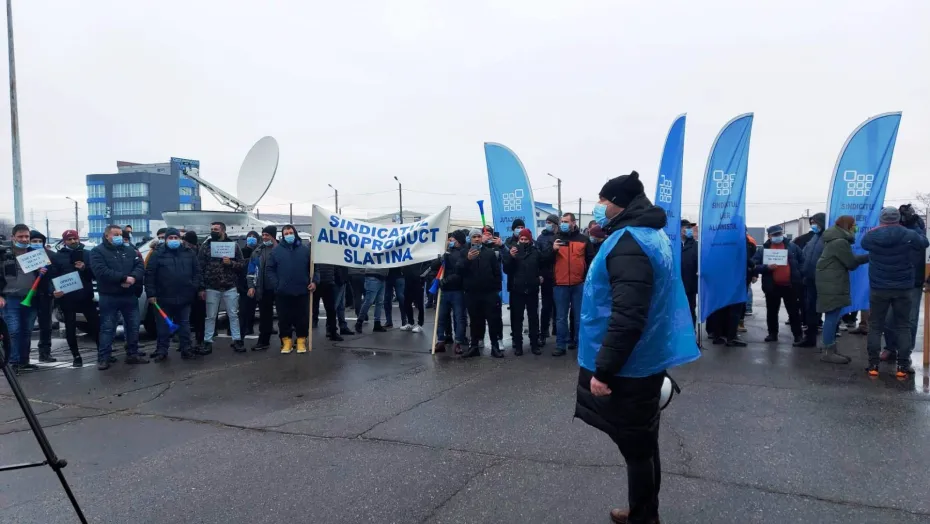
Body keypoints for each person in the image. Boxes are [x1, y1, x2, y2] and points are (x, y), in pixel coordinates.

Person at [575, 172, 700, 524]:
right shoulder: (651, 236)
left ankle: (644, 518)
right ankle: (643, 511)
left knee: (637, 449)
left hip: (629, 365)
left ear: (620, 204)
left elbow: (628, 315)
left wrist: (604, 370)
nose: (598, 208)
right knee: (643, 444)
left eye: (603, 201)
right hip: (645, 357)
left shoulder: (629, 243)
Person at [861, 206, 929, 377]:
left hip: (879, 287)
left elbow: (864, 244)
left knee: (875, 326)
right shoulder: (908, 234)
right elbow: (924, 243)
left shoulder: (872, 235)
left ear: (881, 219)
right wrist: (914, 225)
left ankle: (873, 365)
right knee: (904, 326)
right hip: (903, 287)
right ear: (899, 218)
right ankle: (903, 366)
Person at [89, 224, 147, 370]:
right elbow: (101, 271)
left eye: (120, 234)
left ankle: (132, 354)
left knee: (133, 326)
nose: (118, 237)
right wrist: (123, 279)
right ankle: (104, 357)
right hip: (109, 296)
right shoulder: (97, 252)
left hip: (129, 295)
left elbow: (140, 266)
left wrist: (133, 278)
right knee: (108, 327)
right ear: (107, 235)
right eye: (115, 234)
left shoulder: (129, 250)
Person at [815, 216, 869, 364]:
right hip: (832, 283)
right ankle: (828, 351)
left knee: (832, 316)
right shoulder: (840, 242)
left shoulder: (834, 239)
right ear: (848, 226)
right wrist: (870, 257)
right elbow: (851, 263)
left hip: (830, 282)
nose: (855, 229)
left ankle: (830, 347)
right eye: (854, 226)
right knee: (832, 317)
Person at [145, 228, 201, 361]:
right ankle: (162, 351)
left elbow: (197, 272)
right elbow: (150, 275)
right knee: (163, 327)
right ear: (166, 240)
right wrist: (151, 294)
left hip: (184, 296)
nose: (174, 240)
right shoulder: (157, 254)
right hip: (163, 297)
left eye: (176, 238)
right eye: (171, 238)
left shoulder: (189, 253)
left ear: (180, 239)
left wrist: (193, 287)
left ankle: (186, 349)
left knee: (184, 325)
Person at [880, 204, 927, 362]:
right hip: (892, 279)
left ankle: (905, 351)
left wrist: (912, 223)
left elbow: (922, 242)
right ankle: (890, 347)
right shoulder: (893, 231)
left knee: (910, 319)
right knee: (888, 318)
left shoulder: (918, 229)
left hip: (914, 281)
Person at [0, 224, 48, 372]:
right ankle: (12, 362)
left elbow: (48, 275)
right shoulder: (3, 254)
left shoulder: (36, 254)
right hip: (10, 298)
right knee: (13, 331)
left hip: (31, 298)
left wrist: (44, 271)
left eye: (27, 236)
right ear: (13, 237)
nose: (24, 239)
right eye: (20, 236)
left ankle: (23, 361)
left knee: (27, 331)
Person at [52, 229, 99, 367]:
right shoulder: (57, 257)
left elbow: (95, 275)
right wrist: (54, 291)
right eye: (69, 239)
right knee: (70, 328)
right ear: (64, 241)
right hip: (67, 299)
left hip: (86, 297)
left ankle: (102, 352)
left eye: (75, 239)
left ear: (79, 239)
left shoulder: (88, 254)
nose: (73, 241)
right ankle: (76, 356)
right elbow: (53, 277)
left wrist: (85, 268)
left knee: (96, 325)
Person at [267, 225, 317, 353]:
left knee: (302, 318)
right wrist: (276, 284)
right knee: (284, 319)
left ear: (295, 233)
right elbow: (270, 269)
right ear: (282, 235)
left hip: (302, 291)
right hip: (282, 292)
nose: (289, 235)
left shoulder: (305, 250)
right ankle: (286, 342)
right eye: (286, 233)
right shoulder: (276, 251)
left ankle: (301, 341)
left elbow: (313, 269)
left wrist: (314, 282)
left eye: (290, 232)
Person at [198, 221, 245, 353]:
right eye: (212, 229)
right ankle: (207, 342)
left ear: (223, 230)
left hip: (230, 286)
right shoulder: (205, 246)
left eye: (216, 229)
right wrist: (201, 288)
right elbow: (200, 267)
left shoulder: (233, 245)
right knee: (210, 316)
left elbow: (241, 264)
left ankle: (237, 340)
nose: (213, 231)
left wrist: (231, 263)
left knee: (233, 315)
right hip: (211, 286)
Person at [753, 225, 804, 344]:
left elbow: (802, 260)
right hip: (772, 286)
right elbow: (754, 265)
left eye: (779, 234)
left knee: (794, 312)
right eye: (775, 235)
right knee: (771, 312)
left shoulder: (792, 247)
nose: (778, 236)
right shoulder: (763, 249)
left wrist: (800, 275)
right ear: (769, 236)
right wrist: (766, 267)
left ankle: (798, 335)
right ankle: (772, 334)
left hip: (790, 286)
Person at [552, 212, 594, 356]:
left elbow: (590, 260)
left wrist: (586, 279)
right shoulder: (555, 239)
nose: (563, 223)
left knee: (579, 316)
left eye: (565, 221)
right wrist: (552, 250)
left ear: (573, 223)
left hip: (579, 284)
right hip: (560, 284)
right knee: (561, 317)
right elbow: (544, 260)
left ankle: (579, 343)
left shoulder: (583, 239)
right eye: (561, 221)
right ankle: (560, 345)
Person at [463, 229, 503, 358]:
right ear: (470, 238)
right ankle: (474, 346)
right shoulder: (465, 252)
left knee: (493, 320)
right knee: (475, 321)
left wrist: (496, 290)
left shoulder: (490, 253)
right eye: (474, 237)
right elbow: (459, 270)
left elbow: (497, 272)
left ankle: (495, 347)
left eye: (478, 236)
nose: (476, 239)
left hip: (489, 293)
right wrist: (468, 259)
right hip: (472, 294)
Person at [502, 228, 542, 355]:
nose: (523, 241)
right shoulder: (513, 251)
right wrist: (511, 257)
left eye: (525, 239)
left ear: (530, 240)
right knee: (517, 319)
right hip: (517, 290)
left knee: (533, 318)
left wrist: (539, 279)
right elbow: (507, 270)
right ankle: (518, 345)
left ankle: (534, 344)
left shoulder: (535, 252)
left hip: (532, 289)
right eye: (521, 239)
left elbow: (541, 267)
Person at [431, 230, 468, 353]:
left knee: (459, 318)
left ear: (458, 241)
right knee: (441, 317)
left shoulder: (463, 253)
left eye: (452, 239)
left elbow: (459, 272)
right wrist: (442, 258)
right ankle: (440, 340)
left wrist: (445, 281)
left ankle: (458, 342)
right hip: (444, 291)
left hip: (457, 290)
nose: (450, 241)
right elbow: (434, 266)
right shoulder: (446, 253)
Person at [796, 213, 827, 347]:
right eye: (812, 223)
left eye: (815, 223)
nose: (813, 225)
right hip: (809, 279)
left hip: (823, 281)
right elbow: (805, 255)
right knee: (810, 309)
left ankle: (829, 342)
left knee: (826, 309)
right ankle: (810, 337)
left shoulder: (828, 238)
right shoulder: (814, 238)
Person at [247, 226, 278, 351]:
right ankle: (263, 341)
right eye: (263, 235)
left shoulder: (281, 250)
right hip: (263, 289)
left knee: (286, 317)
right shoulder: (257, 251)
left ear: (273, 236)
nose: (265, 237)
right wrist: (251, 286)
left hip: (279, 289)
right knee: (265, 317)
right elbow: (251, 271)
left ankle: (286, 341)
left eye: (267, 235)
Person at [29, 231, 58, 362]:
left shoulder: (51, 256)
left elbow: (56, 276)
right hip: (28, 295)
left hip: (46, 295)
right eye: (33, 241)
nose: (37, 244)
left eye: (39, 241)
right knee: (26, 326)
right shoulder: (23, 256)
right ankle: (23, 355)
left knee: (46, 326)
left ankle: (45, 353)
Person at [536, 214, 560, 347]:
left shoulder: (561, 236)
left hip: (560, 276)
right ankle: (544, 332)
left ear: (556, 224)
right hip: (546, 276)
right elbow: (540, 258)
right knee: (546, 306)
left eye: (550, 222)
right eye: (547, 222)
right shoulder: (541, 238)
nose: (548, 224)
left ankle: (558, 330)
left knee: (560, 307)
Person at [182, 231, 207, 352]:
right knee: (186, 317)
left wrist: (201, 288)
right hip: (186, 289)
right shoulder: (183, 252)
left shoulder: (199, 252)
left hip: (197, 289)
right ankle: (186, 342)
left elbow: (199, 272)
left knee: (199, 317)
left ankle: (200, 340)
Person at [311, 261, 344, 341]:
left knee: (330, 310)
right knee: (327, 309)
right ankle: (332, 331)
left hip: (326, 281)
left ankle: (332, 331)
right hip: (320, 281)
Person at [355, 266, 388, 334]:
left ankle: (376, 323)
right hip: (374, 275)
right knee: (370, 301)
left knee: (378, 302)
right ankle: (360, 321)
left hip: (379, 276)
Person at [239, 230, 260, 337]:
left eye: (254, 236)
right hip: (243, 284)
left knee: (252, 308)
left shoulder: (259, 251)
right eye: (249, 236)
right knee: (243, 309)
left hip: (256, 283)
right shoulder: (241, 251)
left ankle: (250, 327)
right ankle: (243, 328)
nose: (251, 238)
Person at [400, 261, 428, 333]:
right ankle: (410, 322)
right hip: (408, 278)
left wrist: (421, 273)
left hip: (419, 280)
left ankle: (420, 324)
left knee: (419, 303)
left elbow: (428, 264)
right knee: (406, 302)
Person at [680, 219, 699, 326]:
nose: (689, 230)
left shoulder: (695, 245)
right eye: (686, 228)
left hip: (690, 285)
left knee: (690, 311)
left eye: (690, 228)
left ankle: (692, 335)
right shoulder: (671, 244)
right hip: (676, 285)